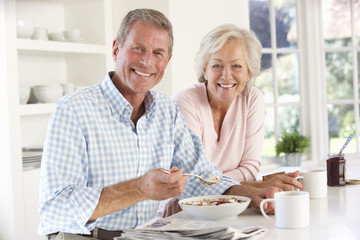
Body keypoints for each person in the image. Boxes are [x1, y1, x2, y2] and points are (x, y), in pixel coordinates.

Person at [38, 9, 280, 240]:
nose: (146, 61)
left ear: (167, 60)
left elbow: (201, 176)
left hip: (147, 235)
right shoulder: (73, 110)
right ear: (116, 49)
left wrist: (253, 194)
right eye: (137, 48)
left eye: (158, 53)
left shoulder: (166, 110)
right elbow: (55, 208)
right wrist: (139, 188)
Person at [173, 24, 302, 190]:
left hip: (235, 203)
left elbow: (249, 169)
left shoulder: (252, 99)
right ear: (205, 70)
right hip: (185, 210)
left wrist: (214, 183)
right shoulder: (185, 101)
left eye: (236, 66)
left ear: (248, 72)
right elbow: (192, 178)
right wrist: (252, 185)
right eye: (217, 65)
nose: (226, 76)